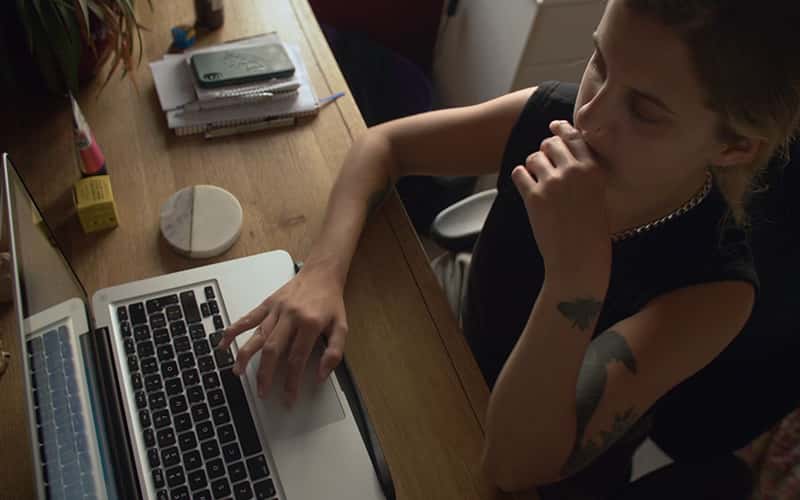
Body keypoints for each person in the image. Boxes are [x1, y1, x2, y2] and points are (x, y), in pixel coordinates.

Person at [219, 0, 800, 497]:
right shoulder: (550, 113)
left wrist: (575, 277)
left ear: (734, 147)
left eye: (645, 109)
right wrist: (322, 272)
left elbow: (513, 465)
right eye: (599, 62)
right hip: (445, 351)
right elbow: (384, 146)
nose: (588, 115)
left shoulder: (715, 289)